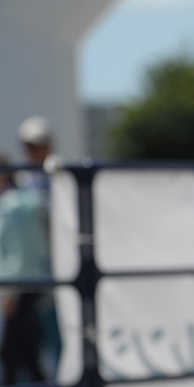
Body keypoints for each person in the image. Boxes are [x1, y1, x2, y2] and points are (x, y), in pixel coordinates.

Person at [0, 116, 61, 384]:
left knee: (27, 352)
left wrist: (11, 291)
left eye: (39, 144)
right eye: (30, 145)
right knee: (30, 352)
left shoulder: (17, 201)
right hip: (38, 280)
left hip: (36, 282)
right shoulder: (23, 186)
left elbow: (19, 252)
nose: (34, 151)